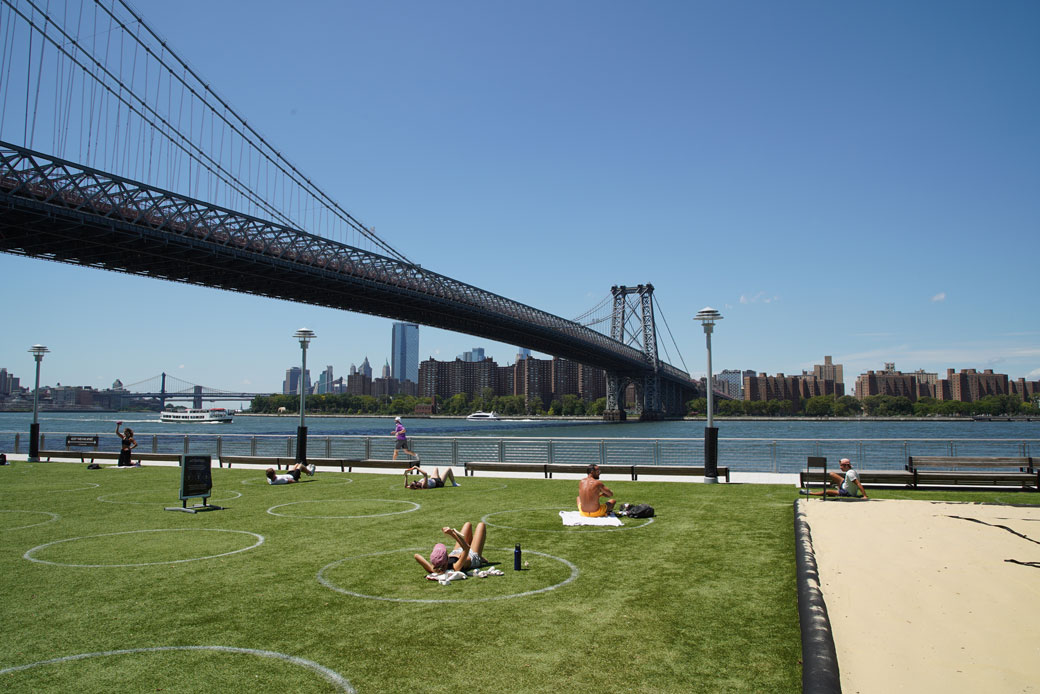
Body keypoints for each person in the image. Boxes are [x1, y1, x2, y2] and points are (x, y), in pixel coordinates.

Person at [414, 522, 488, 574]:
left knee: (467, 524)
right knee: (481, 525)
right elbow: (466, 548)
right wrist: (452, 534)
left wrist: (433, 564)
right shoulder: (455, 567)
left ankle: (481, 557)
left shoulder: (434, 568)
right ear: (446, 558)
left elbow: (416, 556)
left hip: (456, 552)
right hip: (472, 556)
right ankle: (480, 558)